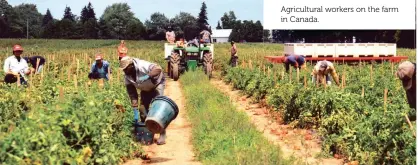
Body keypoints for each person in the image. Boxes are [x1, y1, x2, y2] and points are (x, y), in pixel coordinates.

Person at [119, 56, 167, 145]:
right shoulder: (127, 77)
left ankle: (162, 134)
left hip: (157, 84)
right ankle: (148, 132)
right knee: (142, 110)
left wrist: (147, 76)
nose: (124, 71)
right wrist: (134, 108)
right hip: (145, 89)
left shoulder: (141, 65)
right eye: (123, 69)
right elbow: (132, 93)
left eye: (126, 69)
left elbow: (158, 69)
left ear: (131, 65)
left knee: (158, 109)